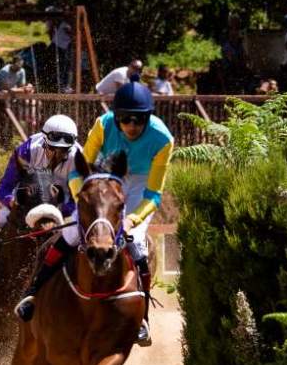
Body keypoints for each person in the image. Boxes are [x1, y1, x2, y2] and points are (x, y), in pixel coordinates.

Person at [16, 82, 173, 347]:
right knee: (69, 232)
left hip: (138, 186)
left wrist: (132, 219)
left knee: (138, 248)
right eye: (125, 119)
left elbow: (153, 196)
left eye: (139, 119)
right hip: (104, 177)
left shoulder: (163, 139)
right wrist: (84, 203)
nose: (132, 125)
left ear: (149, 117)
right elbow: (79, 171)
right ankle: (33, 293)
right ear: (116, 116)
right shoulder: (103, 125)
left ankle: (142, 319)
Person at [0, 114, 80, 271]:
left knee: (77, 239)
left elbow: (78, 200)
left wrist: (57, 211)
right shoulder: (26, 151)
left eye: (63, 151)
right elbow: (3, 188)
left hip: (59, 209)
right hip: (24, 204)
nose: (57, 156)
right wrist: (13, 202)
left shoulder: (79, 158)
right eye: (52, 148)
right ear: (44, 140)